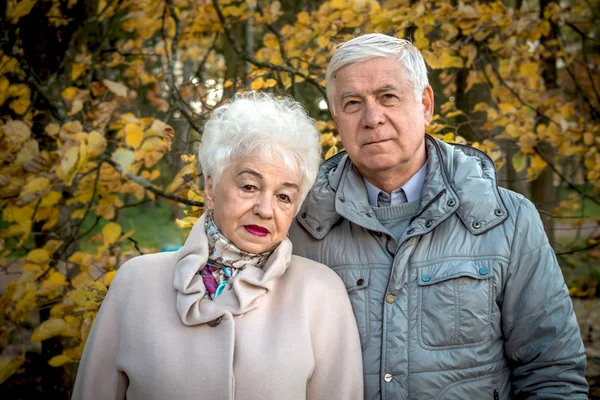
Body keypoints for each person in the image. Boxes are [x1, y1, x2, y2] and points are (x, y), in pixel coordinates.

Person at [289, 33, 588, 399]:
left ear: (425, 104)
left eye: (388, 97)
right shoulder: (299, 228)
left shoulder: (509, 221)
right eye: (352, 103)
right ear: (336, 118)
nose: (372, 118)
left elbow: (552, 374)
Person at [72, 92, 364, 400]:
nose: (265, 209)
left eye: (284, 196)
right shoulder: (135, 282)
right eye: (249, 187)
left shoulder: (321, 292)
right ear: (210, 188)